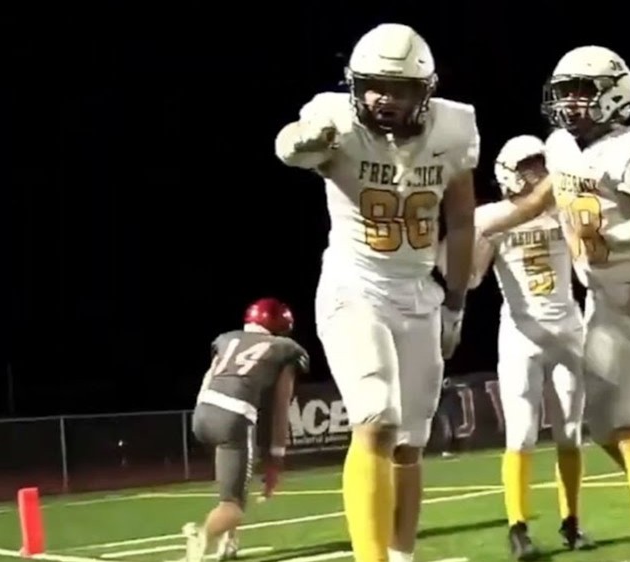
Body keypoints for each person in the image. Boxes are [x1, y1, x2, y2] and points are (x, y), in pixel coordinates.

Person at [475, 46, 630, 562]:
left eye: (583, 92)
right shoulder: (561, 144)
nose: (571, 104)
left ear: (615, 94)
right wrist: (486, 221)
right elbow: (545, 199)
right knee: (603, 428)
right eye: (564, 93)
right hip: (600, 300)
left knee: (626, 424)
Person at [274, 22, 479, 562]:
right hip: (354, 284)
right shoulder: (334, 118)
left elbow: (460, 223)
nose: (384, 98)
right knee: (375, 418)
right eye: (373, 85)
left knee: (410, 444)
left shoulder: (454, 128)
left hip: (419, 294)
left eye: (401, 87)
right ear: (353, 84)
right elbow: (289, 145)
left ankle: (402, 555)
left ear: (426, 90)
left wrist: (455, 304)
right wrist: (300, 143)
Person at [464, 135, 593, 559]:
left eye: (541, 165)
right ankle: (517, 527)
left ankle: (572, 521)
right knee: (520, 434)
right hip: (521, 336)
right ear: (507, 172)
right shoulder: (492, 217)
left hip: (569, 331)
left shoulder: (565, 211)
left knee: (570, 433)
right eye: (528, 166)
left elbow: (590, 260)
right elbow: (470, 278)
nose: (538, 174)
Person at [183, 298, 307, 562]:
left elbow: (209, 379)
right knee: (234, 504)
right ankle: (204, 534)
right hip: (233, 417)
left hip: (203, 412)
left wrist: (203, 414)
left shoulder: (227, 340)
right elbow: (280, 409)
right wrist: (276, 458)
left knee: (232, 485)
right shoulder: (285, 349)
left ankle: (228, 542)